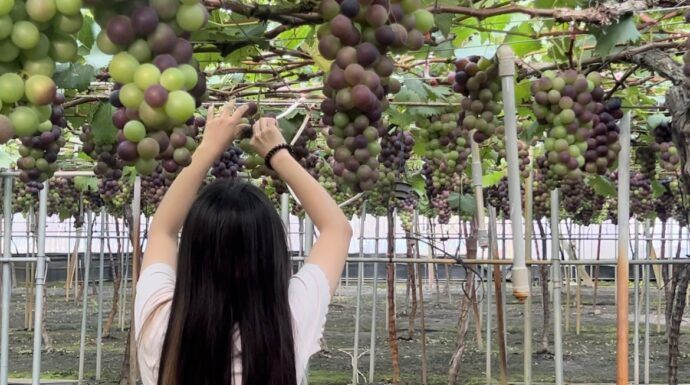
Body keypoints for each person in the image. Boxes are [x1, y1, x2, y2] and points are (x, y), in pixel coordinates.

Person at [134, 102, 353, 385]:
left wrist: (208, 148)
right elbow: (337, 229)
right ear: (272, 253)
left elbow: (163, 230)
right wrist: (278, 155)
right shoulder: (289, 321)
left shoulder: (160, 320)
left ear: (192, 251)